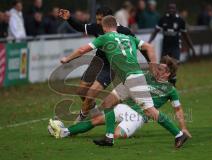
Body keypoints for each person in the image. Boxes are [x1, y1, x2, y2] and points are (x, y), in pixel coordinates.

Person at [59, 16, 189, 147]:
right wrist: (153, 65)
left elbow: (82, 50)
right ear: (116, 26)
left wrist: (67, 59)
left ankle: (178, 135)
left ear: (104, 28)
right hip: (129, 79)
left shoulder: (104, 38)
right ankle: (109, 137)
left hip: (134, 79)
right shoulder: (129, 38)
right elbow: (149, 47)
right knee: (108, 103)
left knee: (150, 111)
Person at [49, 56, 191, 149]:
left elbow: (178, 110)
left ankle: (179, 134)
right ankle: (64, 132)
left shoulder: (170, 90)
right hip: (124, 107)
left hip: (137, 117)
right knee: (96, 119)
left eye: (161, 69)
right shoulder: (145, 77)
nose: (157, 70)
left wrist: (183, 127)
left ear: (167, 74)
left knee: (118, 134)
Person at [58, 6, 150, 123]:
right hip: (98, 60)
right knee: (81, 91)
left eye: (100, 19)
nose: (97, 22)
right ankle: (91, 107)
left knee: (91, 92)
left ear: (109, 19)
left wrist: (149, 62)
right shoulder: (97, 26)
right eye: (97, 19)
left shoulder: (124, 31)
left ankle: (80, 120)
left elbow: (141, 47)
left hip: (112, 65)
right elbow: (81, 27)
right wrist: (69, 18)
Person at [148, 3, 196, 85]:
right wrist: (149, 42)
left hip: (175, 47)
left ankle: (172, 84)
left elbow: (185, 35)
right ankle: (163, 83)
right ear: (167, 9)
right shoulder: (163, 19)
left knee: (174, 65)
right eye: (170, 8)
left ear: (176, 10)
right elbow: (155, 31)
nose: (171, 10)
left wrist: (191, 47)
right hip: (165, 47)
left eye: (173, 8)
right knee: (163, 66)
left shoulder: (180, 21)